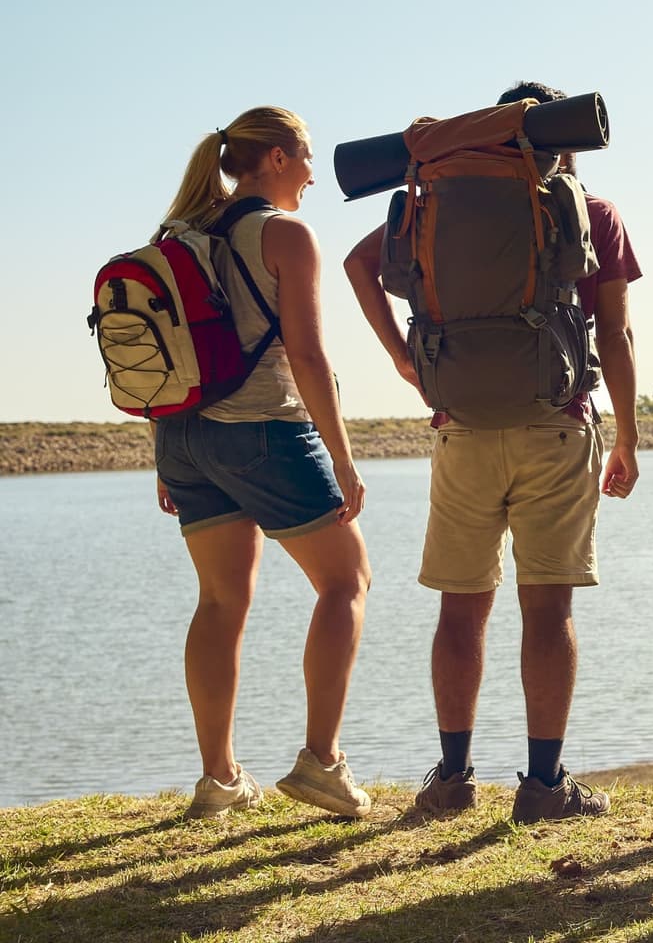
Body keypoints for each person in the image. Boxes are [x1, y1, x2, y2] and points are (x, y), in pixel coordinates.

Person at [343, 82, 642, 823]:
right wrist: (629, 435)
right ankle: (543, 786)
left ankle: (452, 778)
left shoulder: (436, 204)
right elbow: (614, 334)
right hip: (558, 424)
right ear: (566, 143)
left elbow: (356, 263)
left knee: (461, 608)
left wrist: (404, 359)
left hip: (461, 426)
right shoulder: (593, 211)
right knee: (548, 607)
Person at [151, 107, 373, 820]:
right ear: (276, 157)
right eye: (305, 158)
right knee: (346, 581)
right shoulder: (284, 234)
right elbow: (306, 355)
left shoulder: (179, 232)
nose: (311, 174)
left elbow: (164, 351)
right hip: (264, 432)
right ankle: (322, 763)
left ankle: (218, 779)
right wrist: (342, 457)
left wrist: (166, 456)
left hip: (183, 437)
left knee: (220, 601)